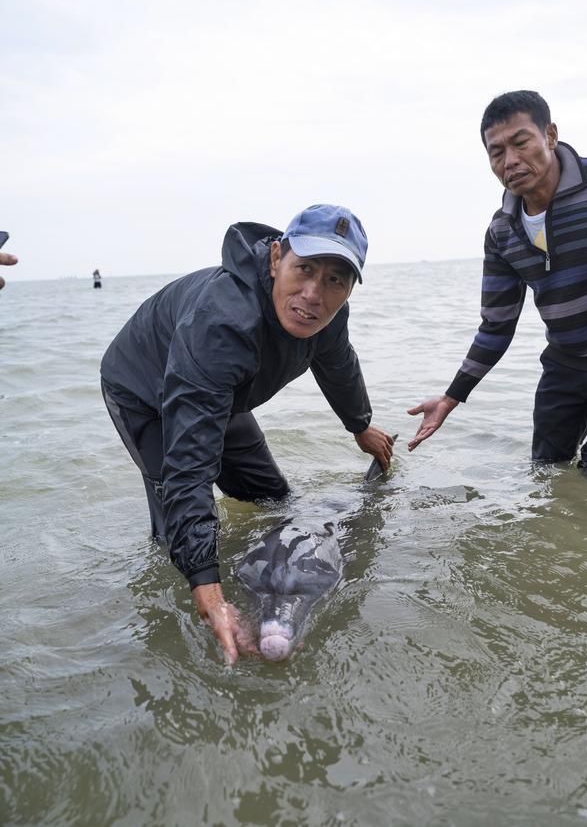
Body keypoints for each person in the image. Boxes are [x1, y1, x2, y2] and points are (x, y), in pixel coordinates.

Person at [101, 203, 394, 662]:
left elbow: (338, 367)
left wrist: (360, 426)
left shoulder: (328, 315)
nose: (315, 294)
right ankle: (192, 603)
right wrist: (206, 587)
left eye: (336, 279)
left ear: (351, 287)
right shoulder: (221, 322)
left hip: (221, 389)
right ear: (277, 258)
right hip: (146, 391)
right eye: (304, 269)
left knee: (275, 500)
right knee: (174, 530)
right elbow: (189, 467)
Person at [408, 90, 587, 473]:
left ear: (549, 135)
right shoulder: (502, 231)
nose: (510, 160)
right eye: (496, 152)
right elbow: (496, 326)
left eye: (521, 143)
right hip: (565, 367)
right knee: (545, 471)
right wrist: (451, 398)